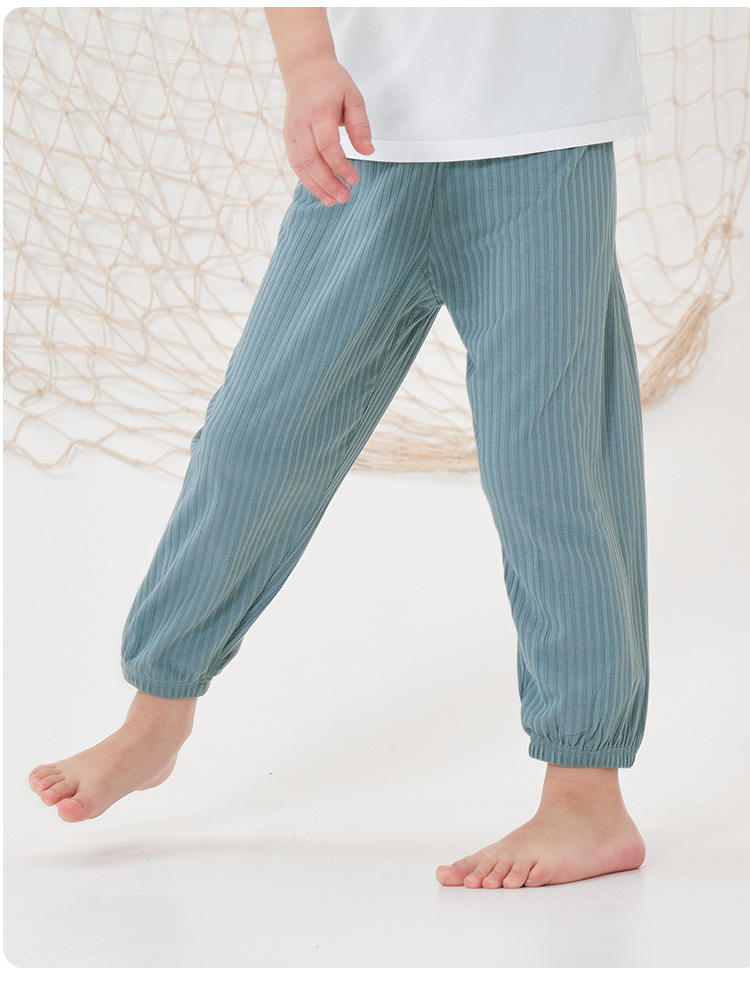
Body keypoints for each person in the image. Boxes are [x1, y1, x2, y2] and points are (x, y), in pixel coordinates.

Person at [29, 6, 651, 889]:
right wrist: (308, 60)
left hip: (546, 132)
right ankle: (156, 714)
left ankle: (585, 791)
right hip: (367, 136)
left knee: (549, 462)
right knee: (254, 434)